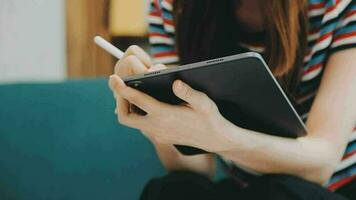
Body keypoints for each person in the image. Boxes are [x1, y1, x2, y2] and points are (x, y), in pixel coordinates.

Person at [108, 0, 356, 199]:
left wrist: (223, 138)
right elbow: (196, 168)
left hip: (334, 187)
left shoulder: (339, 6)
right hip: (250, 188)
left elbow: (322, 164)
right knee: (170, 190)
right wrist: (154, 111)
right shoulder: (171, 6)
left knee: (278, 192)